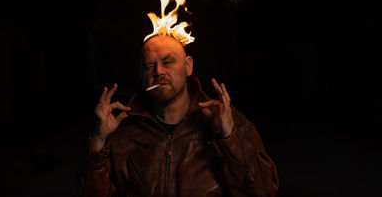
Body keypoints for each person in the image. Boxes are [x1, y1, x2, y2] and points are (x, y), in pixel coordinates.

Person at [80, 35, 279, 196]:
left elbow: (263, 191)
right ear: (141, 75)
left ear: (188, 66)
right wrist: (99, 140)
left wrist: (229, 136)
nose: (159, 72)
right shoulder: (122, 129)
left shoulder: (226, 120)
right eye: (149, 66)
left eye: (168, 62)